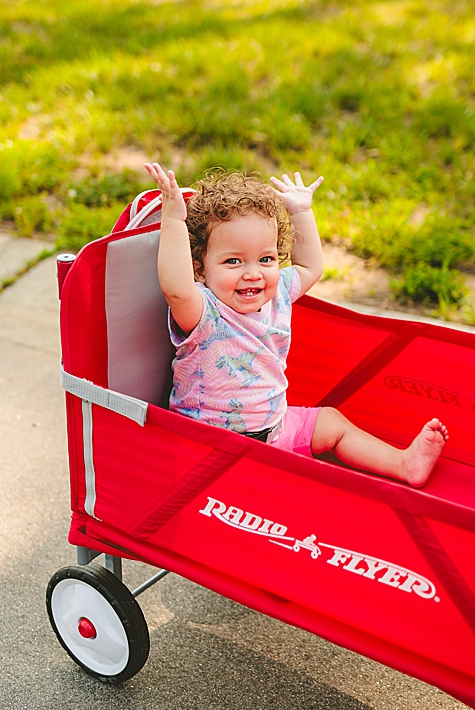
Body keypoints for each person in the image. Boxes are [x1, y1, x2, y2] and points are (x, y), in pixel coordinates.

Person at [141, 161, 448, 485]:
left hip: (275, 432)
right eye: (233, 261)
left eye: (266, 259)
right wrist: (173, 219)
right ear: (200, 270)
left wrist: (301, 211)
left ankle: (403, 464)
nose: (253, 273)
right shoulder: (205, 311)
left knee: (330, 423)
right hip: (208, 449)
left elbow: (310, 266)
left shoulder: (278, 294)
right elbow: (175, 289)